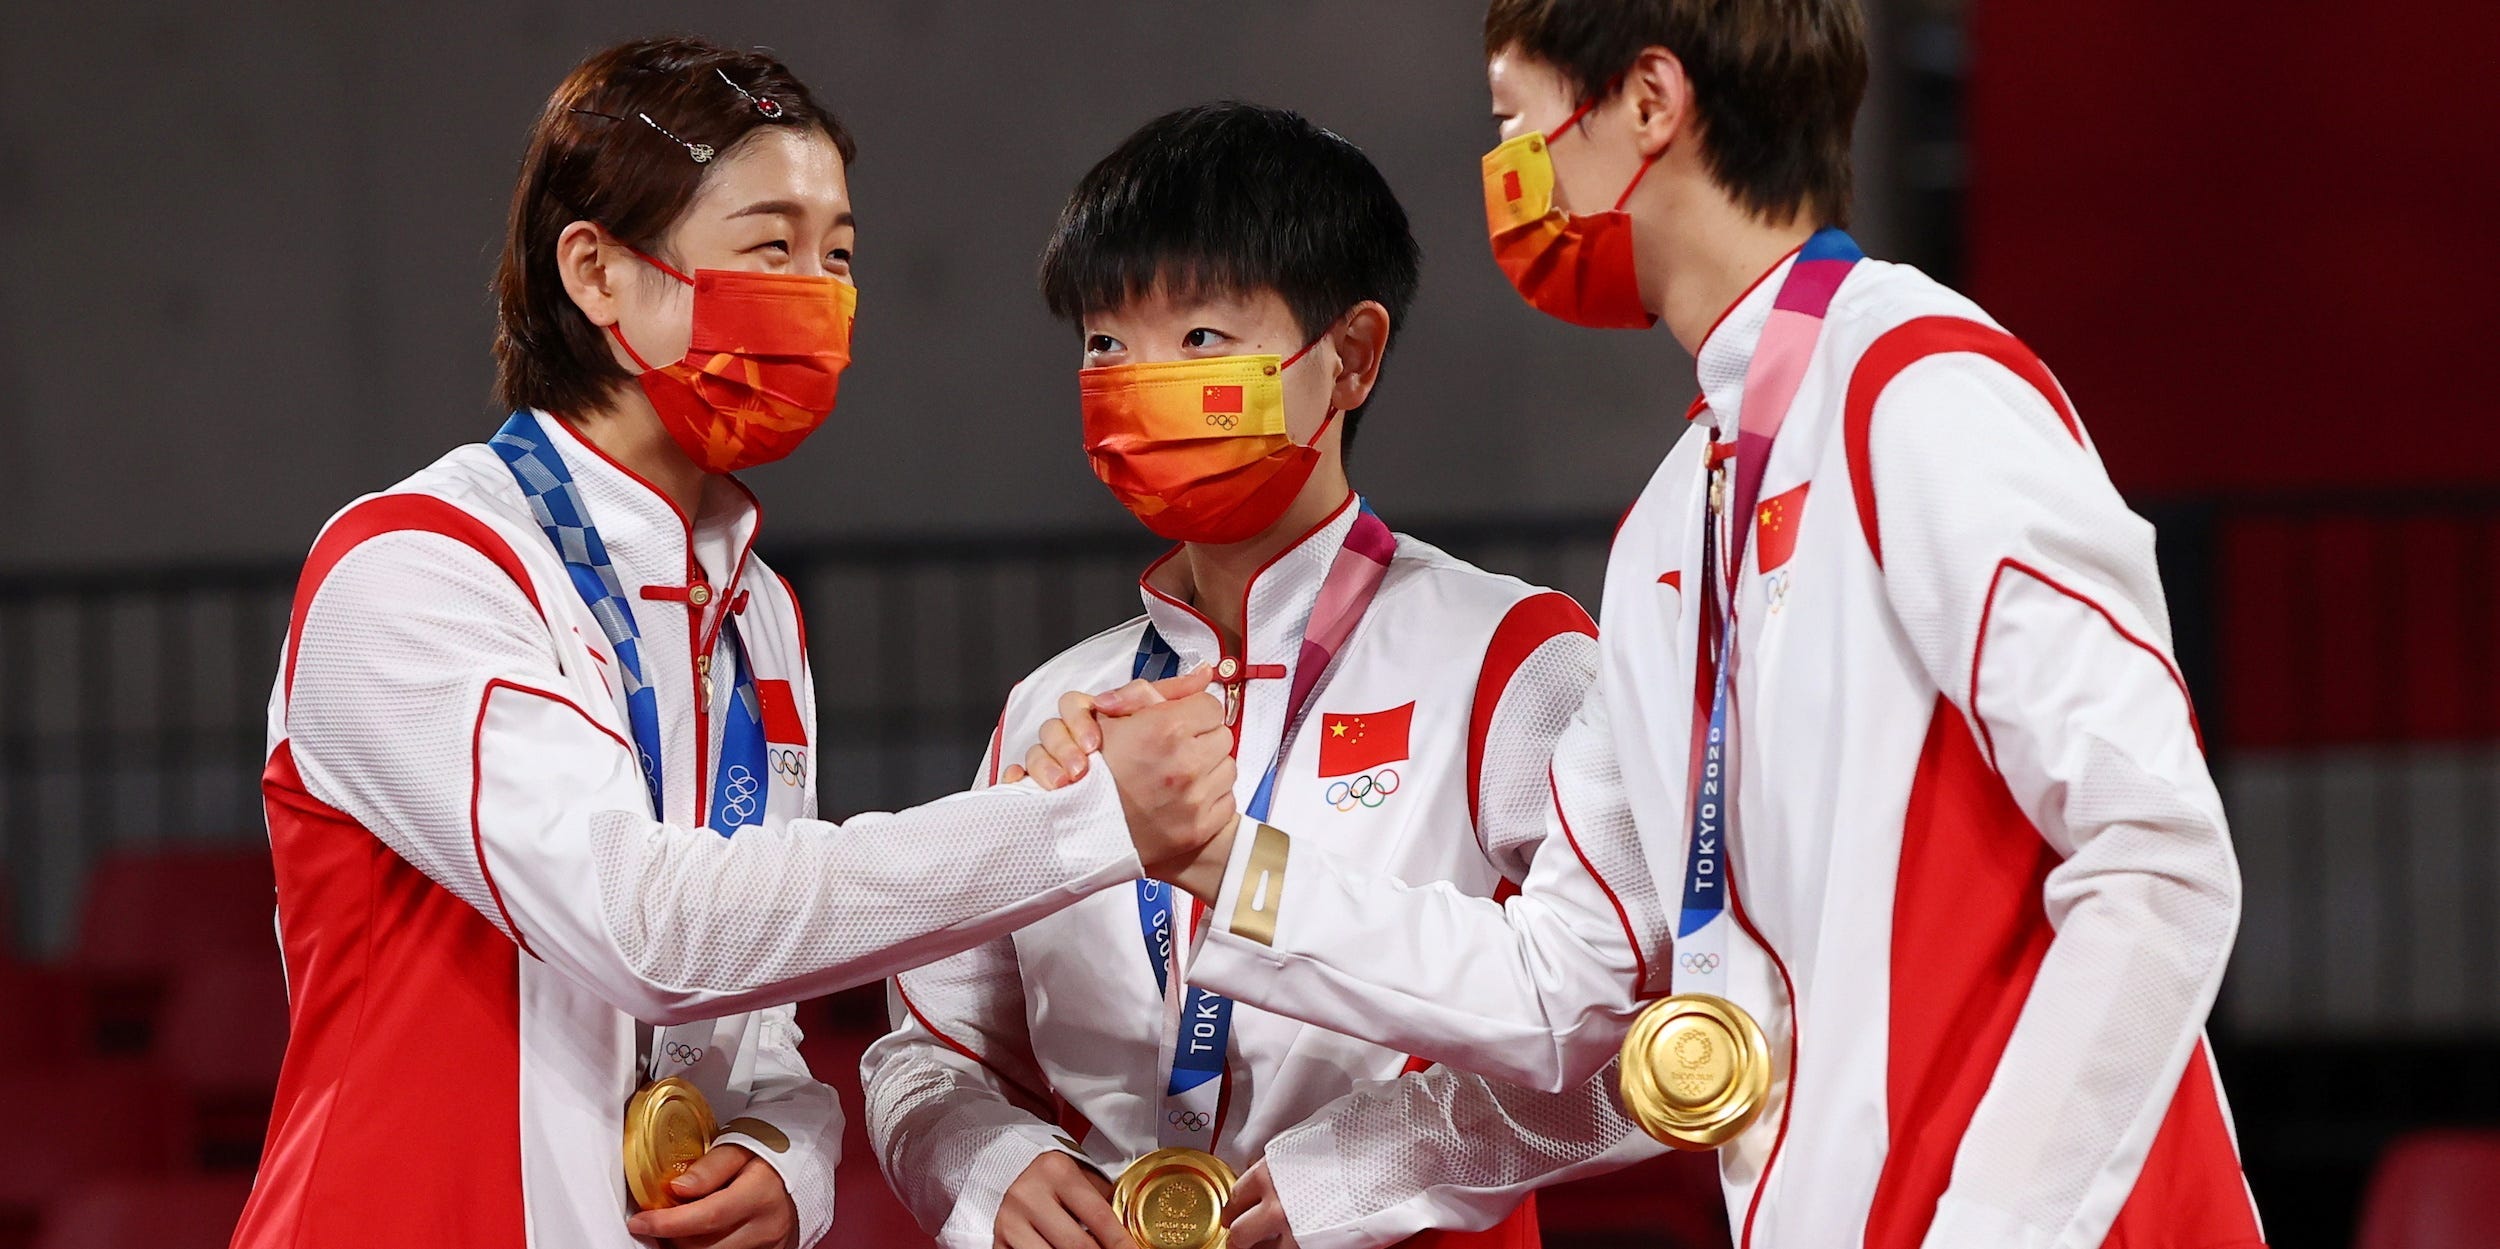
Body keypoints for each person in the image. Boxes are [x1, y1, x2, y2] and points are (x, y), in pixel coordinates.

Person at [1034, 4, 2267, 1248]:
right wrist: (1206, 856)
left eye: (1515, 125)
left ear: (1647, 102)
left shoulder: (1923, 387)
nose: (1505, 181)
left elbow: (2154, 860)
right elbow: (1559, 982)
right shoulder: (1677, 516)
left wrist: (1998, 1228)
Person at [235, 37, 1231, 1249]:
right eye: (771, 247)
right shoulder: (418, 568)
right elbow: (647, 929)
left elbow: (751, 1022)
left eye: (840, 254)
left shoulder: (753, 608)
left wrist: (784, 1150)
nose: (817, 292)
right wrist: (1079, 823)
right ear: (597, 272)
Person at [860, 103, 1656, 1249]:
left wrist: (1392, 1157)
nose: (1142, 381)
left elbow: (1646, 1033)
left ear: (1353, 355)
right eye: (1104, 344)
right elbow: (928, 1047)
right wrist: (981, 1162)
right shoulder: (1050, 705)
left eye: (1200, 341)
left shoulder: (1512, 659)